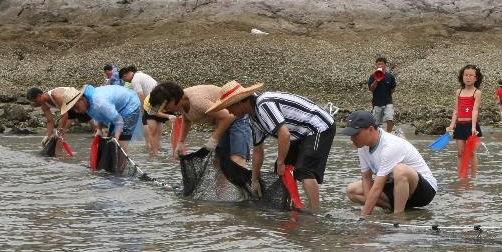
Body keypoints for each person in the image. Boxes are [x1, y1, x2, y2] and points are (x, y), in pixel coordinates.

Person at [208, 81, 337, 211]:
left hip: (319, 126)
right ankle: (292, 206)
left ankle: (314, 212)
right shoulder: (253, 118)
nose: (229, 111)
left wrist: (281, 161)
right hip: (298, 133)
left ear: (240, 102)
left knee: (304, 170)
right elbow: (258, 150)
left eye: (230, 107)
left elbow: (284, 134)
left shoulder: (264, 104)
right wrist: (254, 180)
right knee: (280, 170)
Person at [342, 111, 438, 214]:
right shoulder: (362, 146)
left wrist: (363, 216)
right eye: (350, 135)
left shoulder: (390, 145)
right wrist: (369, 210)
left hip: (423, 191)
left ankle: (398, 215)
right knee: (351, 190)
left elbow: (378, 187)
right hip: (394, 187)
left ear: (370, 129)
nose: (352, 139)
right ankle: (391, 209)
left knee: (400, 170)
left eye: (355, 134)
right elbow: (366, 178)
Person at [146, 82, 237, 156]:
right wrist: (180, 142)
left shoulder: (197, 102)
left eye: (165, 106)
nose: (165, 109)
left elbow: (227, 116)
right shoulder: (181, 102)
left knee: (236, 157)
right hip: (222, 122)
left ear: (174, 98)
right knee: (219, 161)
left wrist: (214, 139)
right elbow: (187, 119)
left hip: (237, 115)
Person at [64, 83, 142, 151]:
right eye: (73, 109)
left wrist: (117, 137)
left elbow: (119, 121)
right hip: (117, 107)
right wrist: (99, 129)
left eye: (76, 107)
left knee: (120, 140)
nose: (76, 111)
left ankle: (121, 165)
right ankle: (113, 164)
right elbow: (99, 116)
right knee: (110, 138)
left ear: (82, 99)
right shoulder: (88, 105)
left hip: (130, 103)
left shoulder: (100, 103)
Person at [446, 64, 483, 179]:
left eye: (471, 75)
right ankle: (461, 177)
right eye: (466, 75)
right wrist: (452, 125)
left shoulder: (477, 92)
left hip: (471, 125)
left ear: (476, 78)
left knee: (471, 153)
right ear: (462, 76)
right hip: (460, 126)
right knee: (460, 153)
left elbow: (475, 110)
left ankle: (473, 178)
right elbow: (456, 110)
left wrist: (473, 127)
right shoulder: (459, 92)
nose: (468, 77)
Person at [118, 65, 162, 153]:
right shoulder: (140, 75)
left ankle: (149, 145)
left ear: (125, 76)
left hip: (152, 99)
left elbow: (140, 95)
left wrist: (142, 110)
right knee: (159, 120)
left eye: (124, 79)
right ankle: (157, 144)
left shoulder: (134, 80)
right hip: (160, 95)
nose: (125, 81)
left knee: (145, 121)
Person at [368, 56, 397, 132]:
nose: (380, 66)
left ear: (385, 65)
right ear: (376, 65)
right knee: (375, 122)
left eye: (382, 64)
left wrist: (387, 95)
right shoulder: (372, 76)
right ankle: (376, 135)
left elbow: (393, 89)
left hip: (388, 101)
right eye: (378, 64)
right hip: (377, 102)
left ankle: (389, 134)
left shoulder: (390, 76)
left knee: (389, 118)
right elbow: (371, 89)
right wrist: (376, 80)